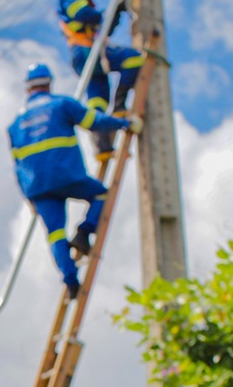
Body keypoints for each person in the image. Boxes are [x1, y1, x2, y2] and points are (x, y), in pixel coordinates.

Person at [9, 63, 138, 299]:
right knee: (101, 194)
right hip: (66, 175)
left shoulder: (15, 125)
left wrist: (29, 198)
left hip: (37, 187)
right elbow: (95, 122)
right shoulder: (61, 105)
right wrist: (124, 123)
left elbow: (17, 168)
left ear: (27, 89)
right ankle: (84, 231)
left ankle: (71, 282)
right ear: (48, 84)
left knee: (55, 234)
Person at [55, 0, 145, 169]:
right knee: (133, 59)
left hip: (90, 53)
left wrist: (115, 12)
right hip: (86, 51)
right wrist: (106, 13)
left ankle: (103, 146)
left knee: (98, 102)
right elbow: (82, 14)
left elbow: (103, 28)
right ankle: (121, 106)